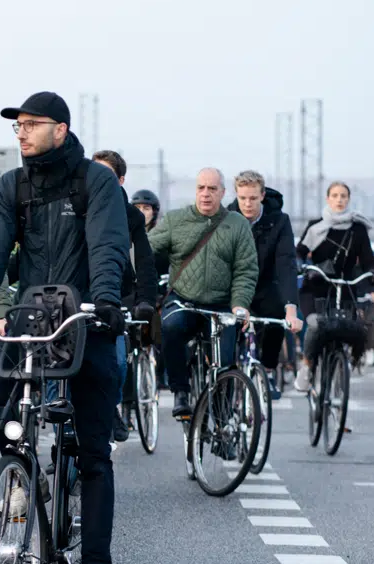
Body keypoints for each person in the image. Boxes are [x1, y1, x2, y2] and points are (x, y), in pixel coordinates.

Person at [0, 91, 129, 564]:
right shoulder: (12, 186)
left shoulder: (94, 182)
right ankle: (24, 473)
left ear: (61, 128)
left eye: (32, 124)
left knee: (93, 449)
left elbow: (106, 245)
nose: (23, 133)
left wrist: (104, 301)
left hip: (85, 318)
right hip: (33, 317)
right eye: (18, 127)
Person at [146, 168, 259, 427]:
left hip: (221, 305)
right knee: (169, 328)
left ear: (222, 192)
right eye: (201, 188)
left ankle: (222, 419)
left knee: (225, 360)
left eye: (212, 189)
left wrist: (240, 304)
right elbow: (145, 249)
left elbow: (246, 269)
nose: (206, 194)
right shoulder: (176, 220)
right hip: (184, 299)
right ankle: (180, 391)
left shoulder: (237, 224)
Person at [92, 151, 158, 442]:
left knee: (118, 362)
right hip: (79, 295)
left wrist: (145, 300)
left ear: (120, 180)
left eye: (106, 175)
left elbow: (143, 261)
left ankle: (111, 407)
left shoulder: (131, 217)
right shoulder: (77, 206)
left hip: (117, 297)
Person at [295, 181, 374, 389]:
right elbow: (299, 253)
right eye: (335, 195)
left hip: (346, 287)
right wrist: (302, 266)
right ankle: (306, 365)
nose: (339, 200)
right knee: (315, 326)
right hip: (316, 288)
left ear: (348, 199)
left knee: (354, 328)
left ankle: (346, 361)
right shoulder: (316, 226)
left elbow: (368, 260)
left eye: (343, 196)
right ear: (327, 199)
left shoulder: (358, 229)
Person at [227, 171, 302, 399]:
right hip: (234, 287)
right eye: (243, 199)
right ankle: (227, 380)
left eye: (253, 198)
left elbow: (286, 264)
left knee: (276, 319)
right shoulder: (226, 218)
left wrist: (291, 308)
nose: (247, 204)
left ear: (262, 196)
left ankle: (268, 370)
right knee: (225, 333)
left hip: (267, 284)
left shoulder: (279, 221)